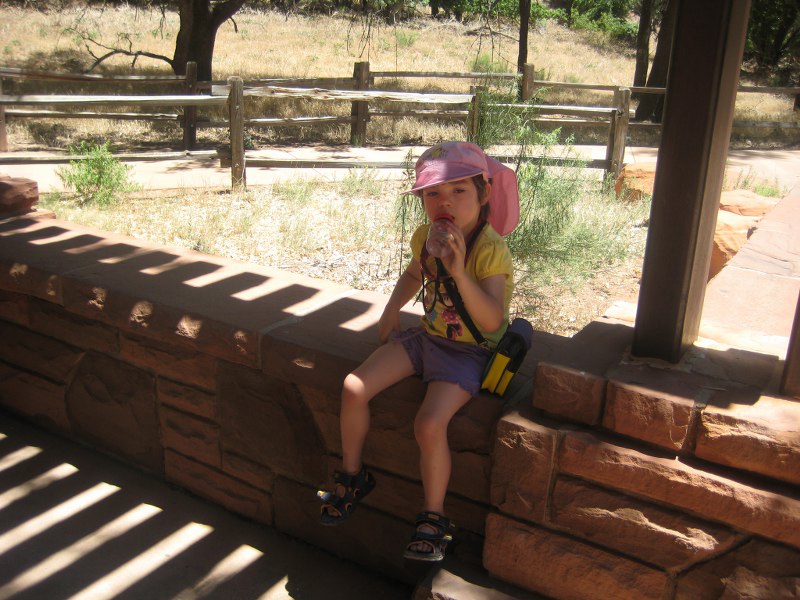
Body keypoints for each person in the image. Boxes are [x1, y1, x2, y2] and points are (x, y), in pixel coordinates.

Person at [317, 141, 519, 562]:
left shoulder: (490, 248)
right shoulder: (426, 236)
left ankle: (434, 516)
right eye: (433, 194)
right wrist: (392, 310)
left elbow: (493, 321)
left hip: (468, 353)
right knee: (354, 387)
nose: (444, 202)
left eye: (458, 191)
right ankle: (353, 476)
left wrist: (460, 272)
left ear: (483, 194)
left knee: (428, 424)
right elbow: (415, 273)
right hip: (428, 338)